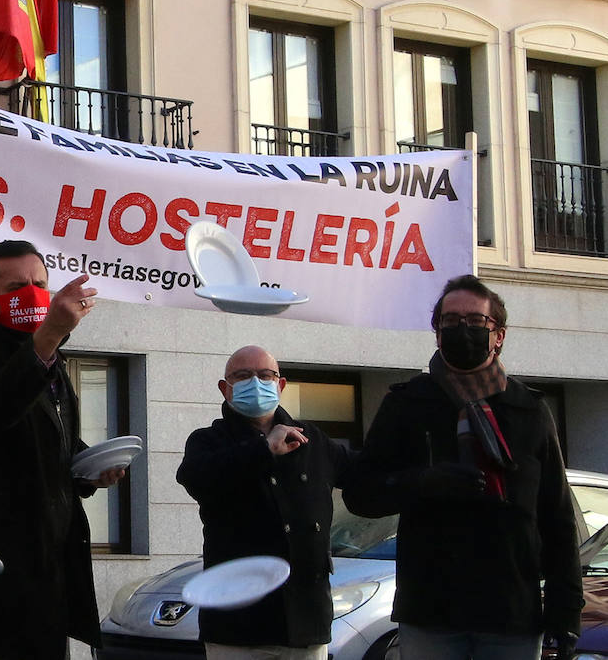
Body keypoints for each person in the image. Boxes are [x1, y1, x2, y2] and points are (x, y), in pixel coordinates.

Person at [344, 274, 582, 660]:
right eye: (450, 322)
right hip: (432, 609)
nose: (462, 330)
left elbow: (557, 518)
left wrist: (565, 611)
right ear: (436, 333)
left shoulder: (530, 409)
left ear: (498, 334)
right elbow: (361, 494)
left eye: (475, 322)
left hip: (511, 610)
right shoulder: (408, 403)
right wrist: (422, 482)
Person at [0, 239, 123, 660]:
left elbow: (44, 444)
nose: (33, 294)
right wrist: (50, 333)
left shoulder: (48, 356)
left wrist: (89, 468)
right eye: (17, 286)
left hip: (44, 586)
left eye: (40, 283)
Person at [176, 345, 352, 660]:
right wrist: (263, 449)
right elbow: (195, 477)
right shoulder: (208, 441)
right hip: (238, 624)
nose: (255, 383)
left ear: (280, 385)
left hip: (305, 622)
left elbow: (362, 473)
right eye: (243, 376)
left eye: (265, 375)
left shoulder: (312, 438)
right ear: (225, 388)